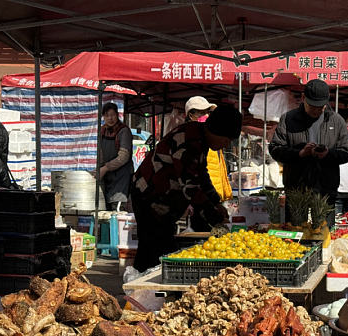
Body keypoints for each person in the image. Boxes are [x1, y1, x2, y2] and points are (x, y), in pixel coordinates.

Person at [131, 104, 241, 272]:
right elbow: (190, 186)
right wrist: (213, 216)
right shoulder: (190, 140)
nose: (226, 145)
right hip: (149, 194)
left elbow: (201, 174)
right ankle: (142, 291)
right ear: (217, 131)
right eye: (226, 140)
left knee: (159, 243)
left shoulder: (201, 138)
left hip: (165, 197)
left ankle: (148, 287)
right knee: (153, 245)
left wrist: (216, 202)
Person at [269, 79, 348, 227]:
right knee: (295, 233)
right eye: (312, 106)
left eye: (320, 107)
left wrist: (327, 154)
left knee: (324, 233)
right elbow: (275, 148)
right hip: (296, 188)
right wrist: (299, 154)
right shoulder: (289, 119)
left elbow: (347, 151)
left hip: (325, 190)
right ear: (303, 99)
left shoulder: (336, 121)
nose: (316, 110)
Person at [184, 96, 232, 206]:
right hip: (201, 195)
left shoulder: (208, 135)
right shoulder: (190, 138)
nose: (206, 116)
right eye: (201, 113)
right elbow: (197, 173)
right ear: (191, 115)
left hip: (212, 191)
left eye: (207, 112)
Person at [98, 102, 133, 208]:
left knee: (118, 208)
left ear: (117, 115)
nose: (110, 118)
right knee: (105, 210)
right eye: (107, 115)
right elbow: (100, 153)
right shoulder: (102, 131)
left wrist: (106, 168)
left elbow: (124, 156)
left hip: (122, 177)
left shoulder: (124, 131)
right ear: (103, 117)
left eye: (112, 115)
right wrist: (100, 169)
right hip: (108, 177)